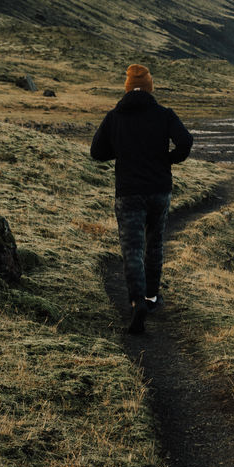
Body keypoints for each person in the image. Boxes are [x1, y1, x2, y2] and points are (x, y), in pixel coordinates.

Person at [90, 64, 193, 334]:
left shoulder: (115, 117)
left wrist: (125, 154)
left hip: (129, 192)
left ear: (126, 88)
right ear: (150, 87)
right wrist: (167, 160)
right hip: (159, 189)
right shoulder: (164, 114)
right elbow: (185, 141)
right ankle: (150, 298)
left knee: (132, 249)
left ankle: (137, 303)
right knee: (155, 244)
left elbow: (96, 151)